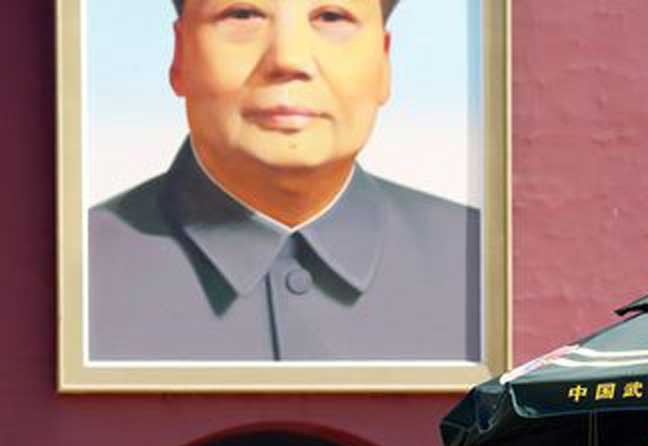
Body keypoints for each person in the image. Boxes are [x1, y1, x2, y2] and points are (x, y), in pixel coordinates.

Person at [88, 0, 480, 361]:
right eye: (243, 15)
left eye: (331, 17)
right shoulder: (71, 275)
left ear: (384, 60)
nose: (288, 60)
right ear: (179, 55)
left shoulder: (485, 267)